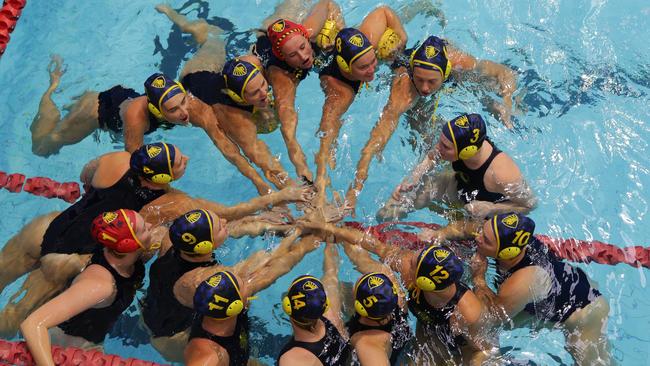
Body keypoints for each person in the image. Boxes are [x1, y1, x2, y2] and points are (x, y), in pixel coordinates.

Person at [0, 142, 309, 336]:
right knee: (14, 317)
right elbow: (231, 214)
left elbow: (86, 173)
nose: (185, 157)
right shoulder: (170, 208)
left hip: (48, 229)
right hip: (72, 261)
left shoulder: (118, 161)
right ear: (162, 178)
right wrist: (283, 202)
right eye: (179, 161)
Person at [345, 36, 519, 212]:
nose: (425, 88)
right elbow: (375, 140)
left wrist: (506, 100)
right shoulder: (404, 93)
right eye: (420, 79)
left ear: (444, 74)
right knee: (429, 139)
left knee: (485, 90)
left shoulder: (459, 62)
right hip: (414, 95)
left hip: (450, 65)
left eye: (431, 81)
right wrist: (355, 188)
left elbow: (505, 74)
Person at [298, 220, 495, 365]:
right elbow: (376, 246)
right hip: (423, 324)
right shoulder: (410, 272)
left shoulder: (468, 313)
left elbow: (485, 350)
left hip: (448, 341)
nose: (408, 260)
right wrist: (330, 229)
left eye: (414, 263)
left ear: (424, 281)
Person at [156, 5, 296, 191]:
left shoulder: (254, 65)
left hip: (237, 79)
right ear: (240, 98)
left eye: (263, 85)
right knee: (213, 37)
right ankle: (172, 13)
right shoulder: (227, 117)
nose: (264, 92)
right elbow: (237, 153)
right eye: (256, 92)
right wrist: (269, 187)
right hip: (199, 76)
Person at [141, 208, 296, 362]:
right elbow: (262, 266)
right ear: (204, 246)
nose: (224, 221)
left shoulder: (172, 240)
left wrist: (262, 221)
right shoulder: (200, 279)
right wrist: (298, 237)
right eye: (220, 226)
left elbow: (227, 229)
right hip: (172, 339)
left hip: (150, 313)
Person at [471, 213, 611, 366]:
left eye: (486, 240)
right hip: (559, 289)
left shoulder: (523, 280)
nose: (478, 237)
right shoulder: (512, 239)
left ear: (507, 252)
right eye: (483, 232)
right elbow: (467, 228)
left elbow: (495, 317)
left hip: (583, 314)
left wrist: (478, 279)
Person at [20, 209, 153, 365]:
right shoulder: (99, 285)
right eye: (144, 229)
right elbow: (32, 324)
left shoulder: (124, 258)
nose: (150, 226)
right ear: (128, 244)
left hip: (89, 339)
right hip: (66, 350)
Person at [174, 230, 322, 365]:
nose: (248, 283)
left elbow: (274, 265)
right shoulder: (210, 356)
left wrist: (300, 237)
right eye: (243, 285)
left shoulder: (213, 304)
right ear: (235, 305)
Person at [378, 113, 536, 238]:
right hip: (457, 183)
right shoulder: (456, 141)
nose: (438, 148)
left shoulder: (502, 173)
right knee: (394, 206)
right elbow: (432, 156)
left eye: (445, 147)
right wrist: (415, 177)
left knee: (444, 235)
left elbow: (529, 205)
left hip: (481, 212)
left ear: (467, 151)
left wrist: (491, 208)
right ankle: (377, 230)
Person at [314, 6, 408, 208]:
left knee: (332, 8)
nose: (372, 69)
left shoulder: (368, 41)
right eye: (364, 67)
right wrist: (323, 178)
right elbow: (326, 132)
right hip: (324, 59)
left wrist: (401, 35)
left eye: (373, 61)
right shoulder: (341, 94)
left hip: (341, 46)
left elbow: (383, 11)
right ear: (347, 67)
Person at [252, 0, 344, 181]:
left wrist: (338, 32)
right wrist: (301, 167)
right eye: (293, 55)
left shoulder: (308, 31)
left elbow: (328, 3)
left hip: (285, 20)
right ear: (284, 58)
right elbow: (288, 121)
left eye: (303, 47)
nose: (303, 57)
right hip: (265, 40)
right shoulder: (282, 77)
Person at [277, 244, 351, 366]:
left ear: (287, 306)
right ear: (325, 305)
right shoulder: (332, 318)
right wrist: (330, 243)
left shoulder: (292, 360)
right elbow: (331, 274)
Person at [341, 242, 413, 365]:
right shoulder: (400, 305)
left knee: (342, 288)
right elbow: (381, 269)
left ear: (359, 307)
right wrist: (342, 237)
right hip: (402, 352)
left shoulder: (364, 341)